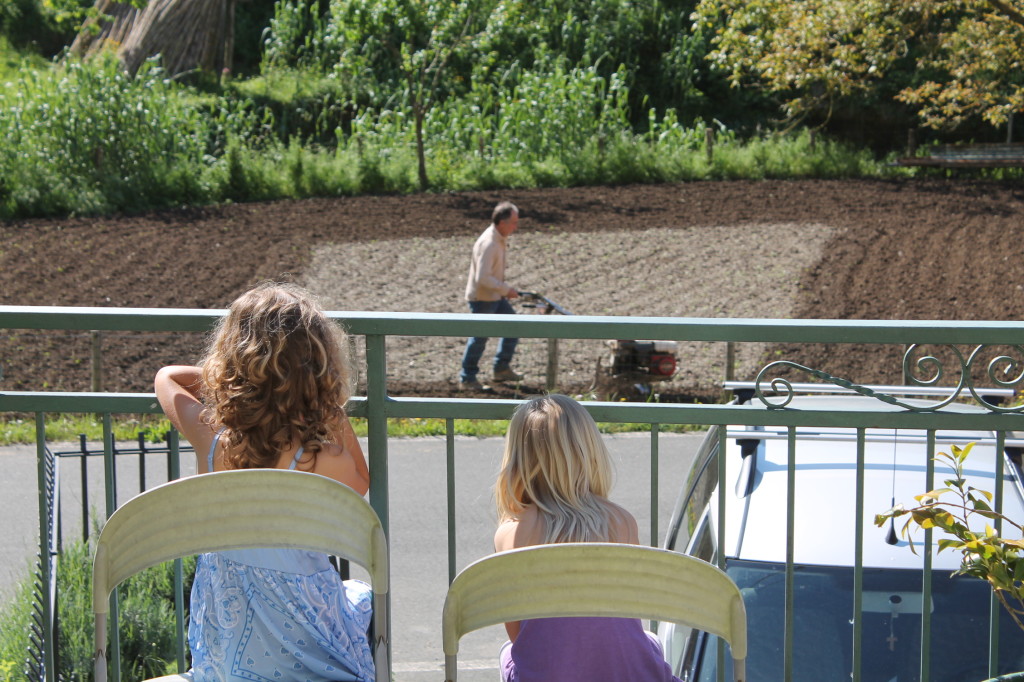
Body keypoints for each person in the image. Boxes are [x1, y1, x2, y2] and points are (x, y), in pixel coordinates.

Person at [154, 281, 375, 682]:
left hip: (229, 648)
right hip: (308, 633)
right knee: (359, 594)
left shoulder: (213, 440)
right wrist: (321, 405)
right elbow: (362, 482)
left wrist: (239, 382)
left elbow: (168, 378)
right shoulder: (321, 457)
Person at [493, 394, 682, 682]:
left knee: (508, 651)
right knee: (648, 640)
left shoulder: (511, 533)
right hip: (630, 674)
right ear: (589, 452)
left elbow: (520, 636)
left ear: (518, 458)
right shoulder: (619, 521)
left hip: (547, 677)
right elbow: (627, 615)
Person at [460, 200, 523, 390]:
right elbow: (483, 278)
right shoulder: (490, 244)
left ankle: (501, 368)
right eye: (513, 223)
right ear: (502, 223)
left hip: (494, 297)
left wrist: (502, 291)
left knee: (514, 326)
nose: (515, 227)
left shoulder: (498, 240)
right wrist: (506, 290)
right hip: (483, 299)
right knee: (479, 338)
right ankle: (467, 378)